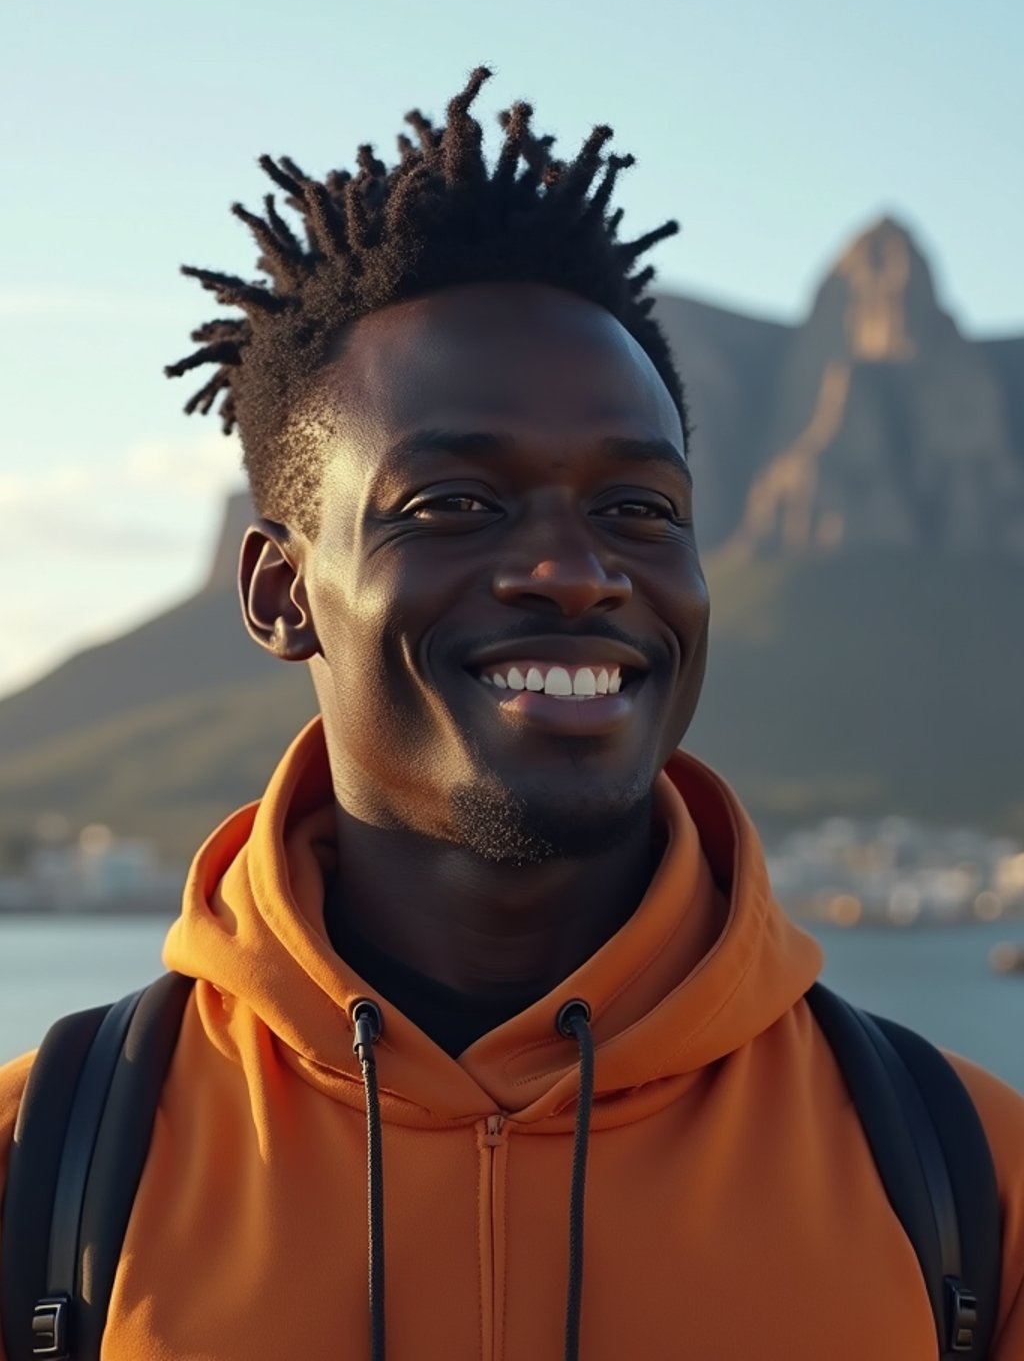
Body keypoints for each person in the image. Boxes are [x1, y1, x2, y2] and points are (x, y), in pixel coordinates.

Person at [1, 67, 1022, 1360]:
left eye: (639, 511)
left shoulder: (965, 1178)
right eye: (454, 504)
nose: (577, 569)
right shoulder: (43, 1174)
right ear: (277, 594)